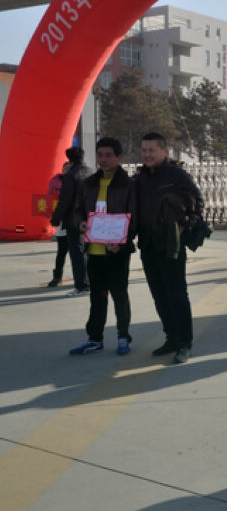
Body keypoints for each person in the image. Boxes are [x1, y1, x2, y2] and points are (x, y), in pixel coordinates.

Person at [135, 132, 204, 364]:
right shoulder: (140, 178)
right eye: (144, 150)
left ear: (164, 151)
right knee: (159, 295)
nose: (147, 154)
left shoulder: (177, 175)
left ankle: (185, 343)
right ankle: (171, 338)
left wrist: (185, 226)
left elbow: (199, 203)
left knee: (176, 294)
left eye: (151, 150)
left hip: (171, 244)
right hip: (148, 244)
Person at [68, 137, 136, 356]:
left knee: (119, 295)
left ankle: (123, 337)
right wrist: (81, 222)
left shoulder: (128, 185)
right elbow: (78, 209)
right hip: (94, 250)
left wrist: (123, 242)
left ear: (119, 157)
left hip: (117, 250)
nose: (103, 159)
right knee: (97, 297)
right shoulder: (89, 183)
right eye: (100, 155)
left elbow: (134, 217)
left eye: (108, 155)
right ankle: (95, 339)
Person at [50, 146, 92, 296]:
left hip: (74, 220)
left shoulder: (70, 176)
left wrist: (55, 219)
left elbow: (65, 201)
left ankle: (82, 286)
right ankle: (91, 282)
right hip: (92, 218)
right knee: (90, 252)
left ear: (69, 160)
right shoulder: (91, 172)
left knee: (77, 253)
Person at [46, 161, 71, 287]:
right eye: (65, 168)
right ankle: (57, 277)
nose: (67, 170)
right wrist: (48, 212)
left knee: (78, 252)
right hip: (61, 220)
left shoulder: (77, 180)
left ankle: (83, 277)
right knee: (61, 251)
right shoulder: (55, 180)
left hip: (74, 220)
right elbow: (49, 197)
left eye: (69, 168)